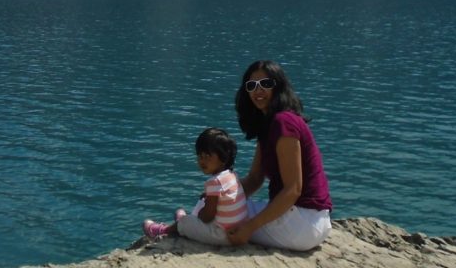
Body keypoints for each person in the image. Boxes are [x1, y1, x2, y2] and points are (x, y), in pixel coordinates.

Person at [226, 60, 332, 251]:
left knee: (222, 220)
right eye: (252, 85)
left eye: (265, 84)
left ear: (279, 87)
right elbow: (255, 179)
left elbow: (293, 189)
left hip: (302, 223)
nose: (258, 90)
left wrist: (249, 227)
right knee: (221, 208)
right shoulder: (268, 125)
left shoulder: (283, 123)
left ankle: (184, 226)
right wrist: (222, 195)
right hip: (310, 222)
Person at [142, 127, 248, 245]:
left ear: (223, 157)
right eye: (199, 156)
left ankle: (164, 230)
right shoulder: (232, 175)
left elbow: (207, 217)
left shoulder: (214, 182)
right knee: (204, 201)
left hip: (221, 235)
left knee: (185, 222)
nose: (202, 161)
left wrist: (201, 214)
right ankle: (187, 222)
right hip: (237, 230)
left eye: (207, 156)